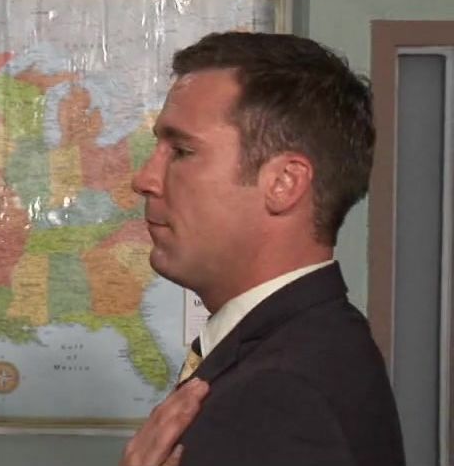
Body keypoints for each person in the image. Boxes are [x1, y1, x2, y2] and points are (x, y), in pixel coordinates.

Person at [120, 32, 405, 466]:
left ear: (284, 183)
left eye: (180, 151)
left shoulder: (281, 394)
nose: (144, 179)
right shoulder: (308, 345)